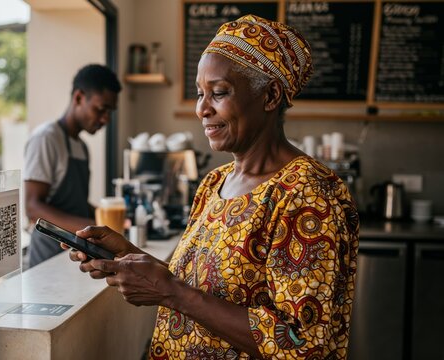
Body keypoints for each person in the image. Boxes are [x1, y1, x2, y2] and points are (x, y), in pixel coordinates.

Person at [67, 15, 359, 359]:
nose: (202, 109)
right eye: (200, 93)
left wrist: (171, 292)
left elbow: (302, 343)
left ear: (270, 95)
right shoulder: (215, 183)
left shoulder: (307, 194)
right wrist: (126, 255)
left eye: (219, 93)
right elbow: (194, 285)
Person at [24, 64, 122, 268]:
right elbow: (32, 207)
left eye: (110, 112)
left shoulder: (82, 147)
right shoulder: (46, 138)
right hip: (47, 259)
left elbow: (77, 204)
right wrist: (88, 228)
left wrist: (109, 223)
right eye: (101, 109)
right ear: (79, 98)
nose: (105, 119)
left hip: (74, 255)